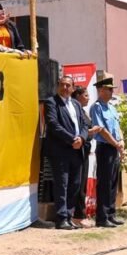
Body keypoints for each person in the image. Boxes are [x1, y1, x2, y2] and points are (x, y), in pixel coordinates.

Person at [43, 75, 89, 230]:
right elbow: (53, 125)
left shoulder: (76, 104)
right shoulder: (51, 103)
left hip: (77, 150)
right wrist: (72, 140)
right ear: (58, 86)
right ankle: (61, 218)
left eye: (68, 85)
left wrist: (81, 139)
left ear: (73, 88)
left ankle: (69, 216)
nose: (65, 88)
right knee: (61, 184)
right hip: (60, 151)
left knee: (75, 185)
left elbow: (84, 124)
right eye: (62, 85)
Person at [90, 75, 124, 228]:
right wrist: (116, 143)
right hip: (105, 147)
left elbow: (117, 127)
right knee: (104, 183)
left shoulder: (112, 107)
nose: (111, 92)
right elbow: (101, 130)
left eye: (111, 90)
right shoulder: (96, 107)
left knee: (113, 182)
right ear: (100, 90)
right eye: (108, 90)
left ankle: (111, 213)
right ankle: (102, 217)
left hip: (114, 147)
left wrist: (121, 141)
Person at [71, 84, 99, 227]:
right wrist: (90, 131)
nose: (88, 98)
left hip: (86, 151)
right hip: (77, 151)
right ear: (77, 96)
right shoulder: (76, 111)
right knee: (78, 184)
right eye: (86, 95)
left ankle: (80, 214)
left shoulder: (83, 111)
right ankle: (77, 216)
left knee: (82, 184)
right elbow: (79, 131)